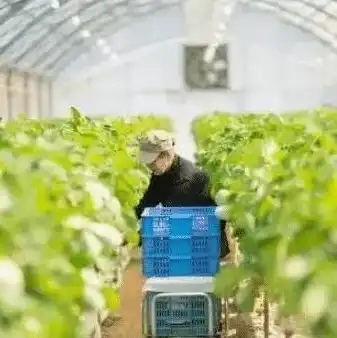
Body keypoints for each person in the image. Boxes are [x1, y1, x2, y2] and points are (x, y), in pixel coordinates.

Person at [135, 129, 229, 258]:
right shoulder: (163, 172)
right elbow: (148, 202)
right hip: (186, 236)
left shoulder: (187, 180)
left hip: (205, 245)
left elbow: (177, 223)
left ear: (166, 155)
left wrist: (142, 237)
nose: (149, 166)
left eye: (152, 162)